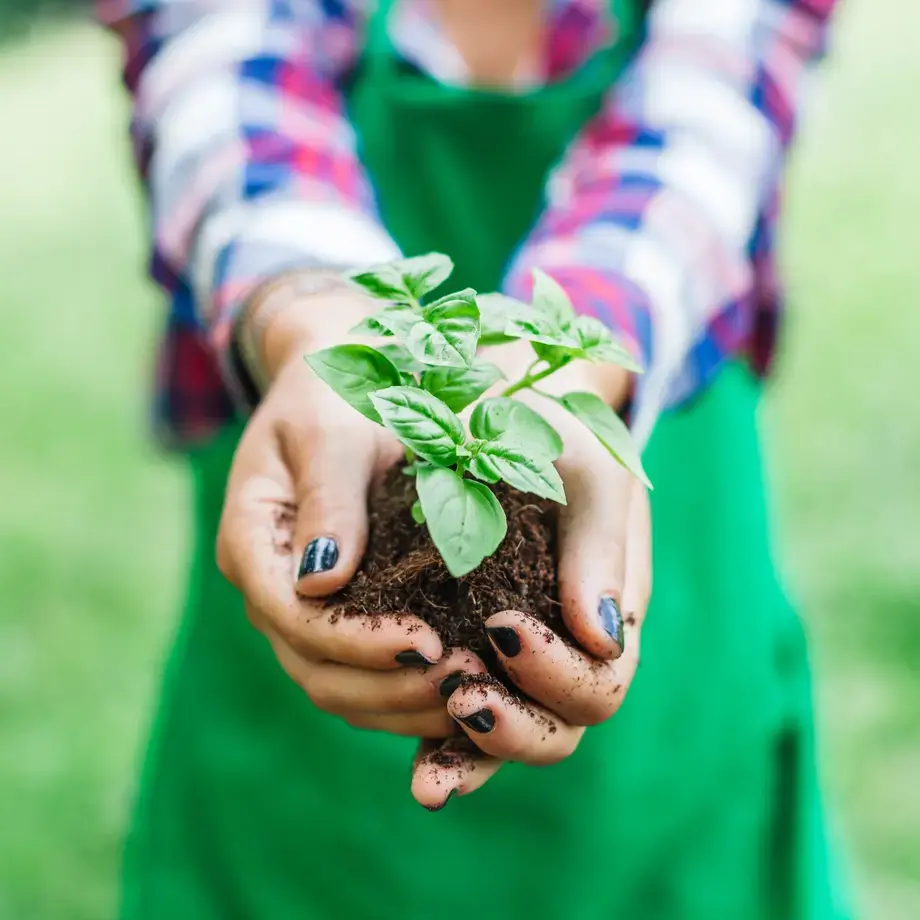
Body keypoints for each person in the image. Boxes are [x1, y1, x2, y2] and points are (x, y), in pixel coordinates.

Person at [99, 0, 848, 917]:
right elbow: (223, 75)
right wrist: (308, 317)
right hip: (305, 602)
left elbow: (709, 116)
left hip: (669, 560)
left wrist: (576, 352)